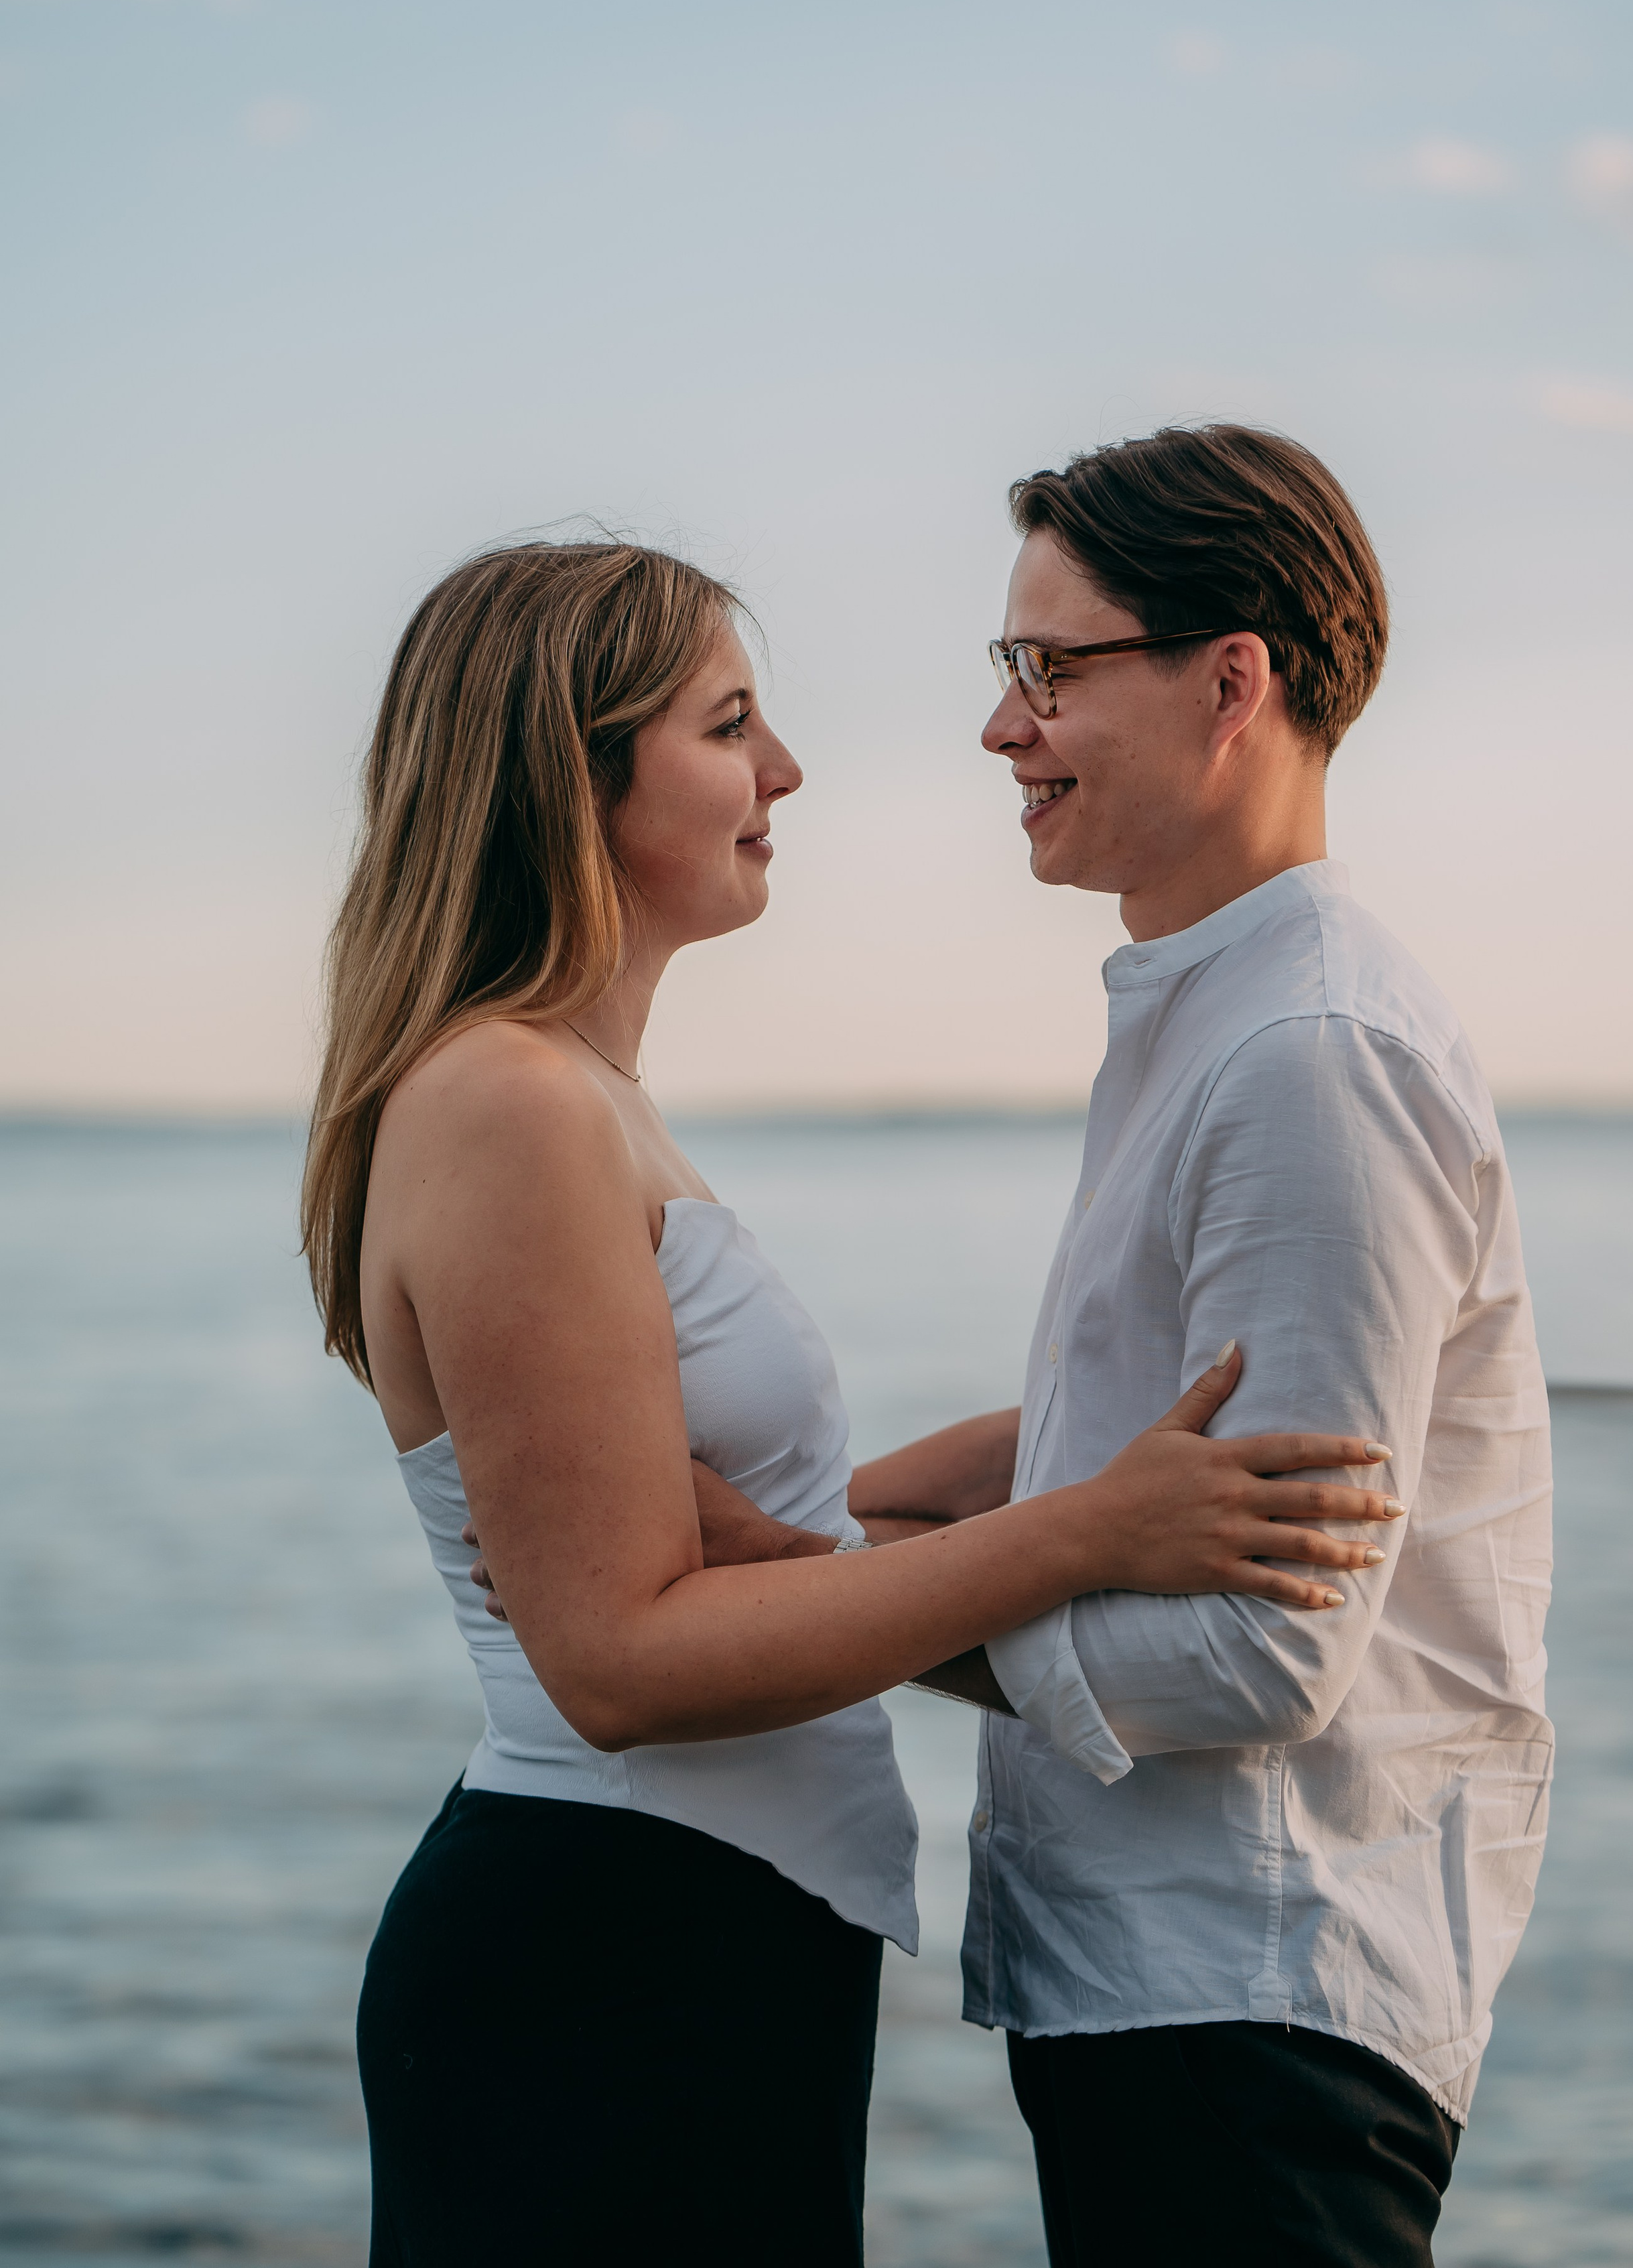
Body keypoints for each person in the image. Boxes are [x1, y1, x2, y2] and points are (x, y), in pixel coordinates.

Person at [299, 539, 1400, 2266]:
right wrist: (1081, 1531)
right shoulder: (509, 1103)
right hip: (610, 1955)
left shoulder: (577, 1093)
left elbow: (686, 1538)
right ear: (574, 772)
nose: (788, 770)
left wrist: (974, 1479)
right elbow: (618, 1664)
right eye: (730, 725)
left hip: (698, 1942)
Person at [856, 426, 1554, 2265]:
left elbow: (1264, 1646)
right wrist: (840, 1519)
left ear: (1230, 684)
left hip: (1258, 2007)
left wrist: (864, 1606)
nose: (1001, 727)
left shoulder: (1312, 1053)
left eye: (1048, 669)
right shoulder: (1223, 1015)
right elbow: (1133, 1435)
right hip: (1182, 1993)